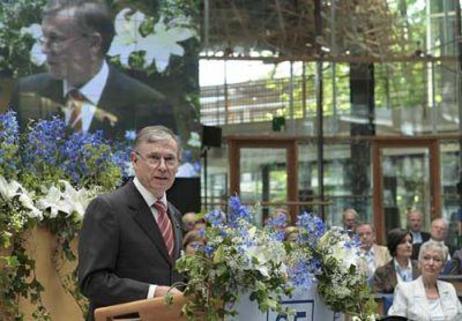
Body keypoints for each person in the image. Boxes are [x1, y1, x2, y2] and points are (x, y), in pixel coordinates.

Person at [9, 0, 176, 140]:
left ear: (94, 43)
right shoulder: (27, 91)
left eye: (55, 39)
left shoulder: (149, 106)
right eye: (43, 38)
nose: (45, 49)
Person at [78, 126, 183, 321]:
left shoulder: (174, 215)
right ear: (134, 160)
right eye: (154, 158)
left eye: (169, 159)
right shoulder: (107, 208)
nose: (162, 167)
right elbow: (92, 281)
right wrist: (153, 293)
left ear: (178, 164)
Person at [388, 242, 462, 320]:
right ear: (419, 263)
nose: (431, 263)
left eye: (437, 259)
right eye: (426, 258)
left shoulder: (449, 288)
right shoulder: (404, 290)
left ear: (443, 267)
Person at [373, 228, 420, 294]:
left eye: (410, 242)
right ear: (394, 246)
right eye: (403, 242)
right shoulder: (381, 272)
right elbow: (377, 299)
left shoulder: (421, 267)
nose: (408, 245)